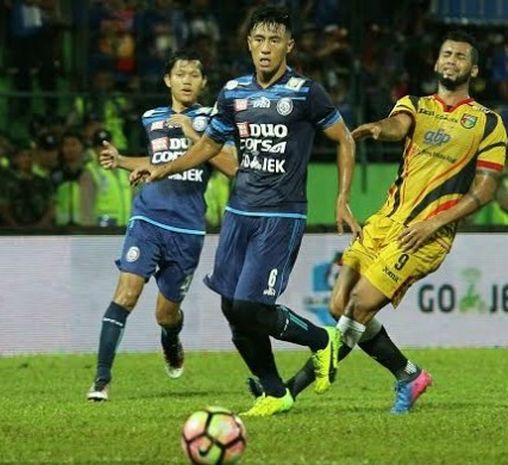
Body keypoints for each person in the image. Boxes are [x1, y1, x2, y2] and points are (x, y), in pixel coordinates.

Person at [130, 6, 360, 416]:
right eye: (259, 40)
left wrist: (341, 198)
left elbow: (344, 140)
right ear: (248, 44)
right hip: (239, 211)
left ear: (288, 45)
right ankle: (274, 391)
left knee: (254, 307)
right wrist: (161, 167)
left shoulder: (307, 92)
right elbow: (208, 146)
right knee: (231, 308)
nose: (266, 49)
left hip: (281, 214)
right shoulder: (233, 92)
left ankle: (323, 341)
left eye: (274, 40)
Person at [282, 30, 507, 414]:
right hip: (385, 220)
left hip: (424, 236)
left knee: (357, 307)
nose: (452, 60)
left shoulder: (488, 123)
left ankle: (290, 389)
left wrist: (434, 224)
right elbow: (398, 125)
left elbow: (484, 191)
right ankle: (409, 375)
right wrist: (376, 129)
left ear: (473, 68)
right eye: (446, 54)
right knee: (338, 305)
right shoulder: (415, 105)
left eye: (460, 56)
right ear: (436, 63)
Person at [86, 50, 239, 401]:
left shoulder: (215, 121)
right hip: (148, 217)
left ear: (203, 83)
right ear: (167, 80)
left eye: (194, 75)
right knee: (126, 294)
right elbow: (157, 161)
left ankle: (171, 339)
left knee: (165, 314)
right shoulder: (151, 117)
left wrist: (193, 135)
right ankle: (101, 379)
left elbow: (233, 168)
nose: (187, 80)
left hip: (187, 229)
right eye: (180, 74)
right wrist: (121, 160)